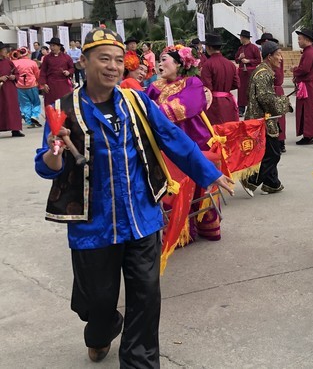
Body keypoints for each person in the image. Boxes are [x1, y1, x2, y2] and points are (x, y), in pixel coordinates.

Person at [34, 27, 233, 367]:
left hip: (141, 217)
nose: (112, 66)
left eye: (116, 59)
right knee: (96, 302)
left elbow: (171, 136)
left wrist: (209, 172)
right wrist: (55, 149)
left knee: (146, 296)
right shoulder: (63, 108)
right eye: (103, 59)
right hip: (92, 227)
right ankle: (101, 329)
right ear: (83, 62)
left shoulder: (136, 101)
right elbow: (47, 167)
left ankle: (139, 361)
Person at [147, 44, 222, 241]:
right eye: (160, 59)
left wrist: (156, 111)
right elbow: (144, 109)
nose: (160, 63)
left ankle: (204, 225)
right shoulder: (154, 86)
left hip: (195, 139)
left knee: (198, 182)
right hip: (167, 144)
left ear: (179, 63)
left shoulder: (192, 83)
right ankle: (180, 232)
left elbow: (188, 106)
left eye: (165, 59)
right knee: (175, 186)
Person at [241, 41, 291, 195]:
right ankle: (251, 180)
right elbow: (266, 99)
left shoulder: (262, 70)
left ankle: (272, 183)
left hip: (260, 117)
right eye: (278, 55)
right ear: (269, 56)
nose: (281, 58)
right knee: (273, 154)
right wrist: (284, 103)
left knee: (268, 151)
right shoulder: (264, 73)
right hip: (262, 120)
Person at [201, 32, 240, 125]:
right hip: (228, 102)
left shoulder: (207, 64)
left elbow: (207, 88)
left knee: (216, 132)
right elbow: (236, 84)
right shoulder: (230, 64)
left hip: (214, 104)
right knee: (230, 131)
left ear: (209, 47)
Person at [292, 28, 313, 145]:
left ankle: (308, 135)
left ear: (307, 40)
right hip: (310, 85)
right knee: (311, 110)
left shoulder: (308, 53)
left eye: (300, 39)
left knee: (307, 110)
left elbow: (305, 69)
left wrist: (294, 70)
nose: (298, 41)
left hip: (307, 85)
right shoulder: (310, 51)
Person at [39, 37, 74, 106]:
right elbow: (43, 71)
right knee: (51, 106)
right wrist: (43, 84)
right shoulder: (47, 58)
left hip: (64, 85)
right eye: (51, 46)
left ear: (59, 46)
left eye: (54, 46)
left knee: (64, 105)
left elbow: (72, 68)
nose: (52, 48)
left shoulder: (66, 57)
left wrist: (68, 72)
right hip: (51, 85)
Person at [12, 47, 42, 128]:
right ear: (27, 53)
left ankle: (28, 120)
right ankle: (34, 115)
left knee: (25, 104)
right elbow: (37, 74)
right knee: (36, 102)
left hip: (19, 86)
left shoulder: (14, 63)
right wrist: (40, 84)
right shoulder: (32, 63)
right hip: (32, 85)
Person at [0, 41, 25, 137]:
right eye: (3, 50)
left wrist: (14, 77)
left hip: (10, 88)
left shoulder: (9, 62)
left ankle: (15, 129)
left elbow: (16, 73)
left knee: (13, 108)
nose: (6, 51)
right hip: (1, 88)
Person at [235, 30, 261, 117]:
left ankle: (251, 109)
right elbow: (236, 60)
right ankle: (241, 109)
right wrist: (239, 57)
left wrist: (249, 60)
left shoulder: (254, 48)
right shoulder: (240, 48)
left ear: (244, 38)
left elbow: (258, 60)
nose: (240, 39)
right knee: (241, 91)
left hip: (251, 73)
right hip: (242, 73)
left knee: (251, 90)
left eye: (241, 38)